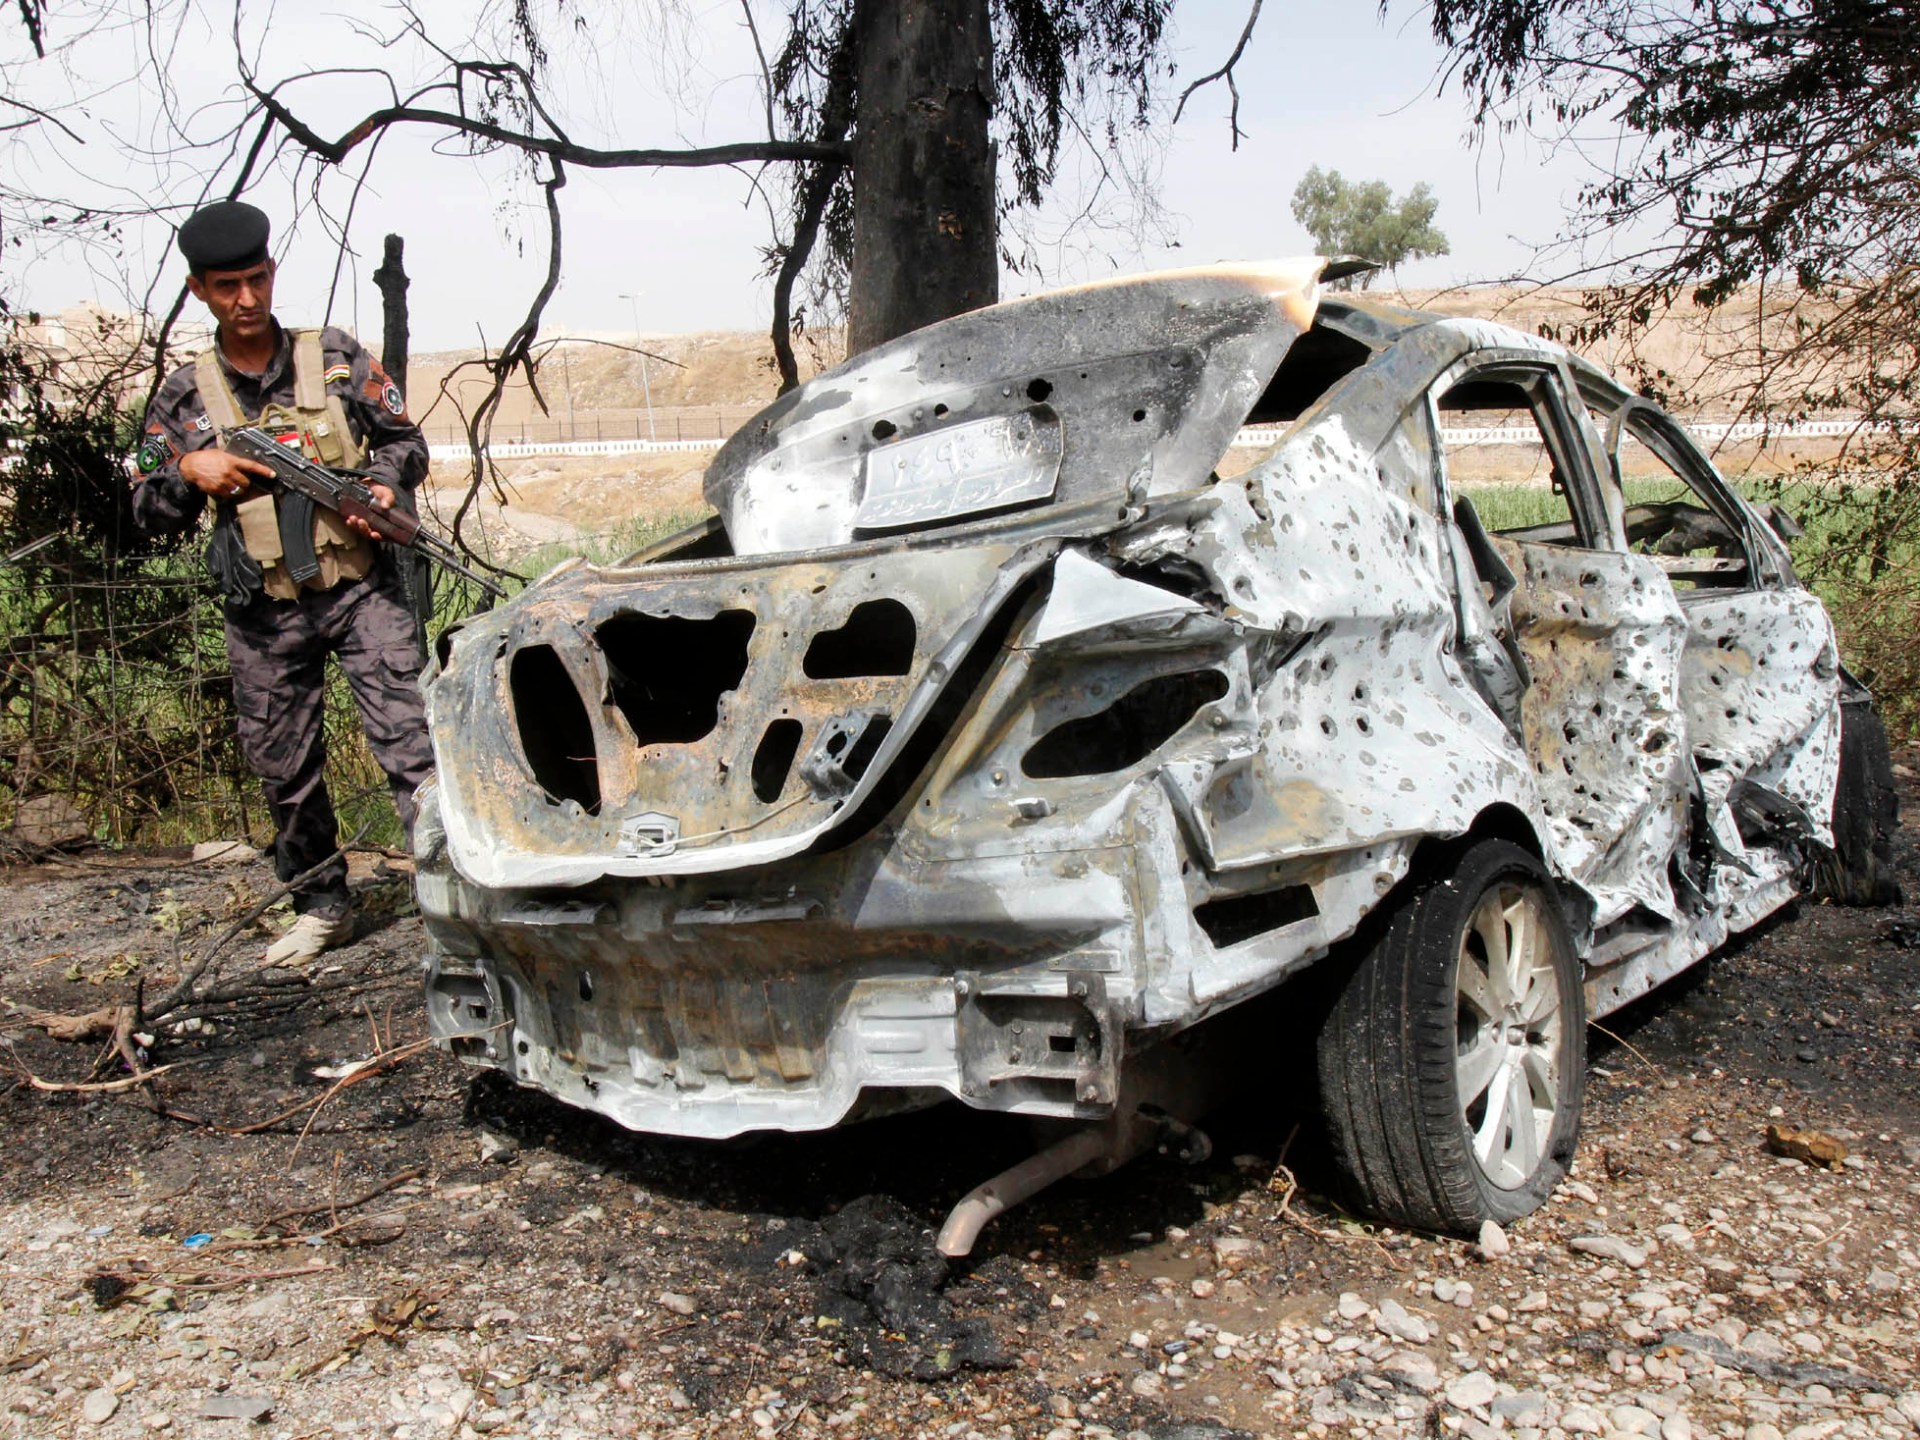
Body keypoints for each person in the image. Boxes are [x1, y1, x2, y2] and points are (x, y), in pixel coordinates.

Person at [131, 200, 435, 966]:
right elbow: (142, 502)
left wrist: (385, 485)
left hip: (361, 590)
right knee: (284, 767)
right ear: (199, 290)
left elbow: (405, 440)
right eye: (226, 286)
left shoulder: (332, 356)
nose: (246, 299)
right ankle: (321, 904)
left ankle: (449, 895)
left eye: (257, 280)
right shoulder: (182, 396)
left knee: (414, 748)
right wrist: (188, 469)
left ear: (272, 272)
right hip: (263, 610)